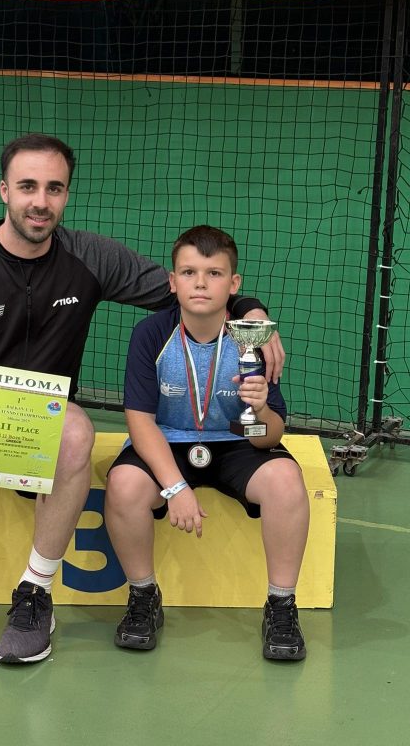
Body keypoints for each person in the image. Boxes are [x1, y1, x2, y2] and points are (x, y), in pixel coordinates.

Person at [0, 134, 284, 665]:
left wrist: (249, 310)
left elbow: (187, 287)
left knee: (76, 428)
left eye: (54, 188)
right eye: (27, 187)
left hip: (40, 435)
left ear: (66, 195)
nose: (40, 201)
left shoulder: (90, 257)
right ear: (4, 191)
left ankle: (35, 594)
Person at [104, 224, 309, 661]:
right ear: (172, 281)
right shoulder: (150, 334)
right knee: (123, 484)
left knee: (287, 481)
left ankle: (281, 606)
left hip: (236, 441)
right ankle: (143, 596)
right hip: (167, 442)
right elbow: (140, 422)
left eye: (214, 273)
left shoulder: (252, 339)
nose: (201, 283)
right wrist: (175, 487)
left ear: (234, 284)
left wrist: (260, 411)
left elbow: (269, 436)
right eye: (189, 272)